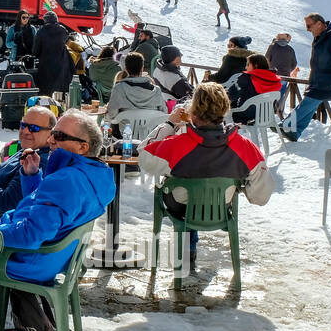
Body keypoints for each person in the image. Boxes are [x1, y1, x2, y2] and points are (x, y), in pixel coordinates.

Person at [0, 110, 112, 331]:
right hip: (53, 257)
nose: (51, 140)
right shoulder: (96, 175)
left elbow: (31, 234)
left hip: (26, 259)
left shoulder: (66, 180)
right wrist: (32, 177)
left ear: (83, 147)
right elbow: (47, 213)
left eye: (59, 135)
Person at [139, 82, 273, 267]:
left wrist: (170, 123)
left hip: (180, 206)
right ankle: (191, 248)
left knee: (183, 187)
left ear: (193, 111)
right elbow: (261, 197)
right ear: (224, 109)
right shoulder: (244, 146)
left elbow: (143, 155)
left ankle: (186, 249)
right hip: (220, 208)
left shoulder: (177, 144)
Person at [280, 14, 331, 140]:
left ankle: (286, 124)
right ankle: (295, 132)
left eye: (309, 26)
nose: (307, 29)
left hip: (329, 80)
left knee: (309, 102)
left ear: (319, 24)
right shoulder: (321, 36)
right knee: (311, 104)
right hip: (318, 79)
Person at [106, 51, 167, 136]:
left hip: (125, 136)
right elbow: (164, 113)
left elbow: (111, 114)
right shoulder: (156, 90)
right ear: (142, 68)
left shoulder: (119, 88)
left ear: (125, 69)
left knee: (107, 124)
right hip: (149, 136)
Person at [224, 53, 282, 124]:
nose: (246, 68)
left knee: (226, 107)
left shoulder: (247, 78)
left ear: (256, 66)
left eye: (248, 64)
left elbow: (232, 95)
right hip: (266, 116)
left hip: (245, 115)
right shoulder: (274, 79)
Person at [32, 11, 74, 97]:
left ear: (45, 20)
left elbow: (35, 51)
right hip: (62, 63)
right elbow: (66, 41)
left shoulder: (41, 32)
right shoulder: (63, 30)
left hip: (46, 64)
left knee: (46, 90)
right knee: (61, 88)